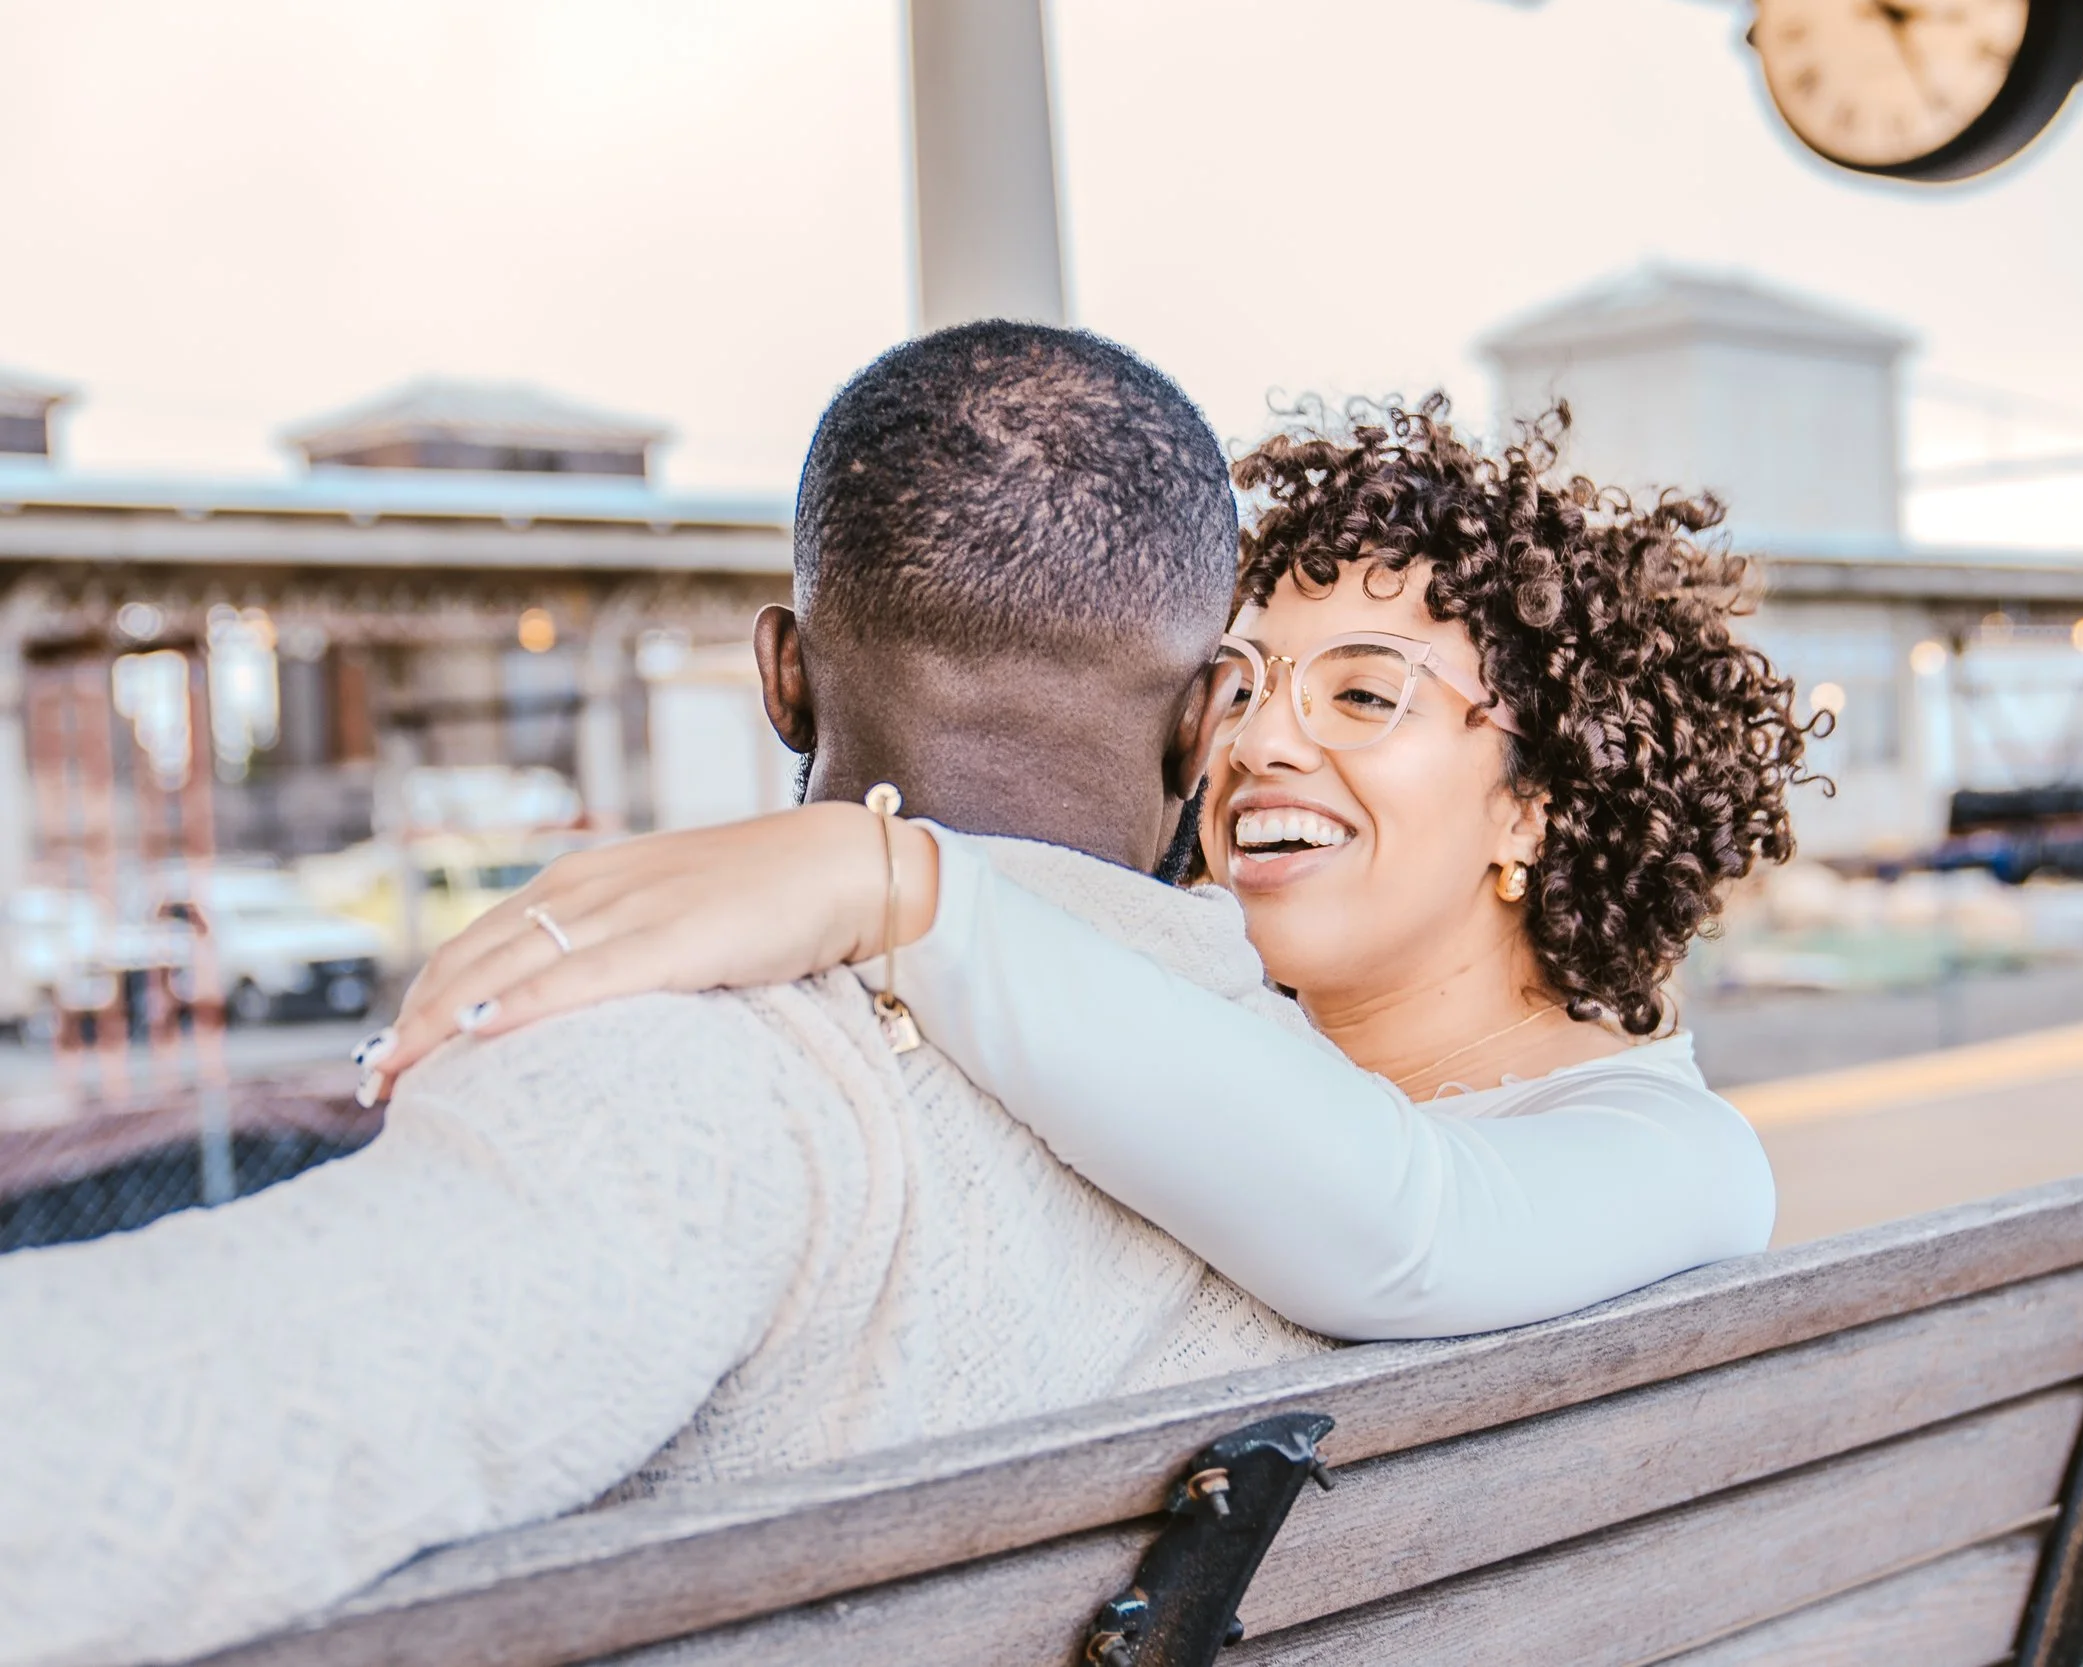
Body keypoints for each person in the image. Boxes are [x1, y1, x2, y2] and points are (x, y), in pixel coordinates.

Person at [0, 324, 1339, 1667]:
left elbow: (139, 1453)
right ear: (1210, 712)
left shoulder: (716, 1090)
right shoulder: (1358, 1113)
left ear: (784, 677)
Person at [372, 396, 1810, 1341]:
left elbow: (1409, 1230)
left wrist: (893, 879)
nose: (1259, 746)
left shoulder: (1680, 1159)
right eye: (1239, 685)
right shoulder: (1163, 1027)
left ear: (1540, 806)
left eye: (1365, 696)